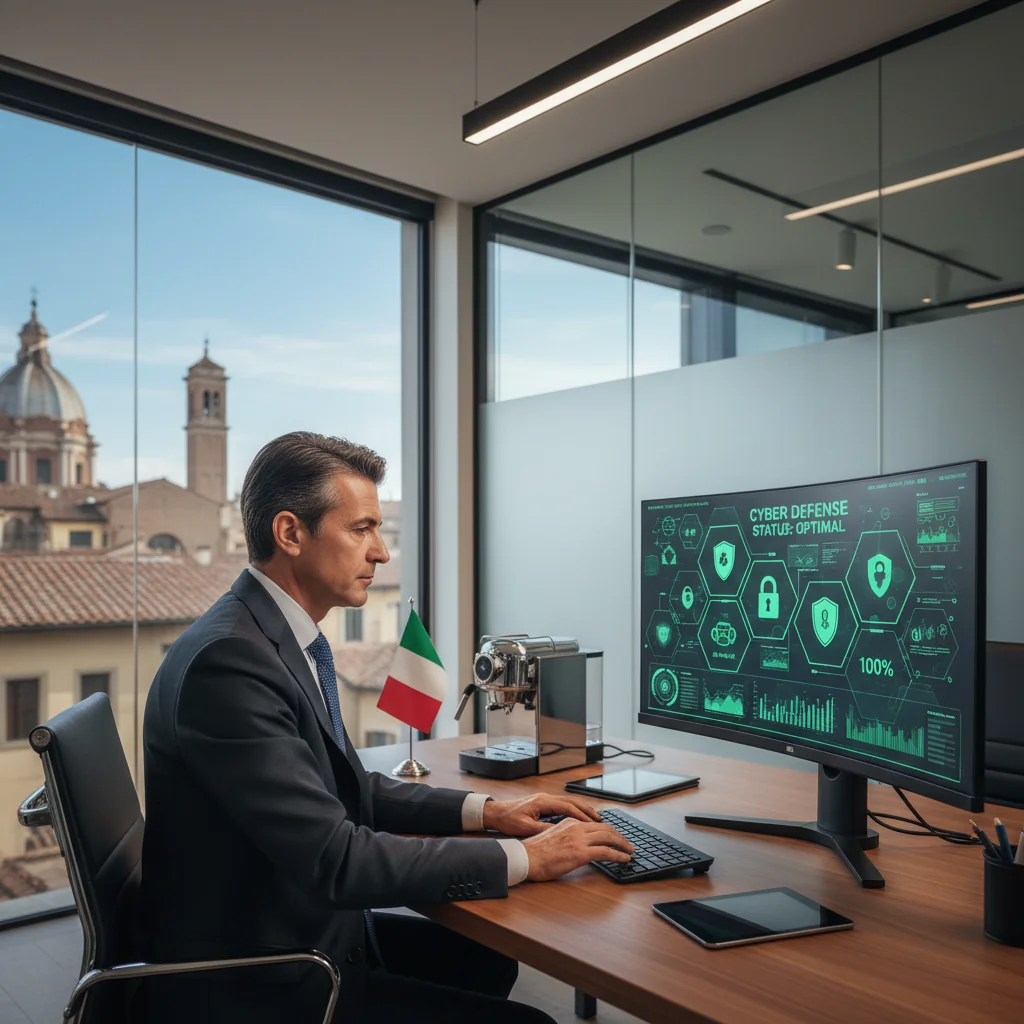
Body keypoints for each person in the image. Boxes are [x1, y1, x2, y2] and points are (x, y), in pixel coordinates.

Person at [140, 431, 633, 1024]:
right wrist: (529, 857)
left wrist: (488, 811)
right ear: (291, 533)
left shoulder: (267, 636)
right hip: (260, 977)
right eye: (361, 529)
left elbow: (350, 785)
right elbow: (337, 861)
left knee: (488, 961)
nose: (381, 553)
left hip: (297, 929)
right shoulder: (231, 664)